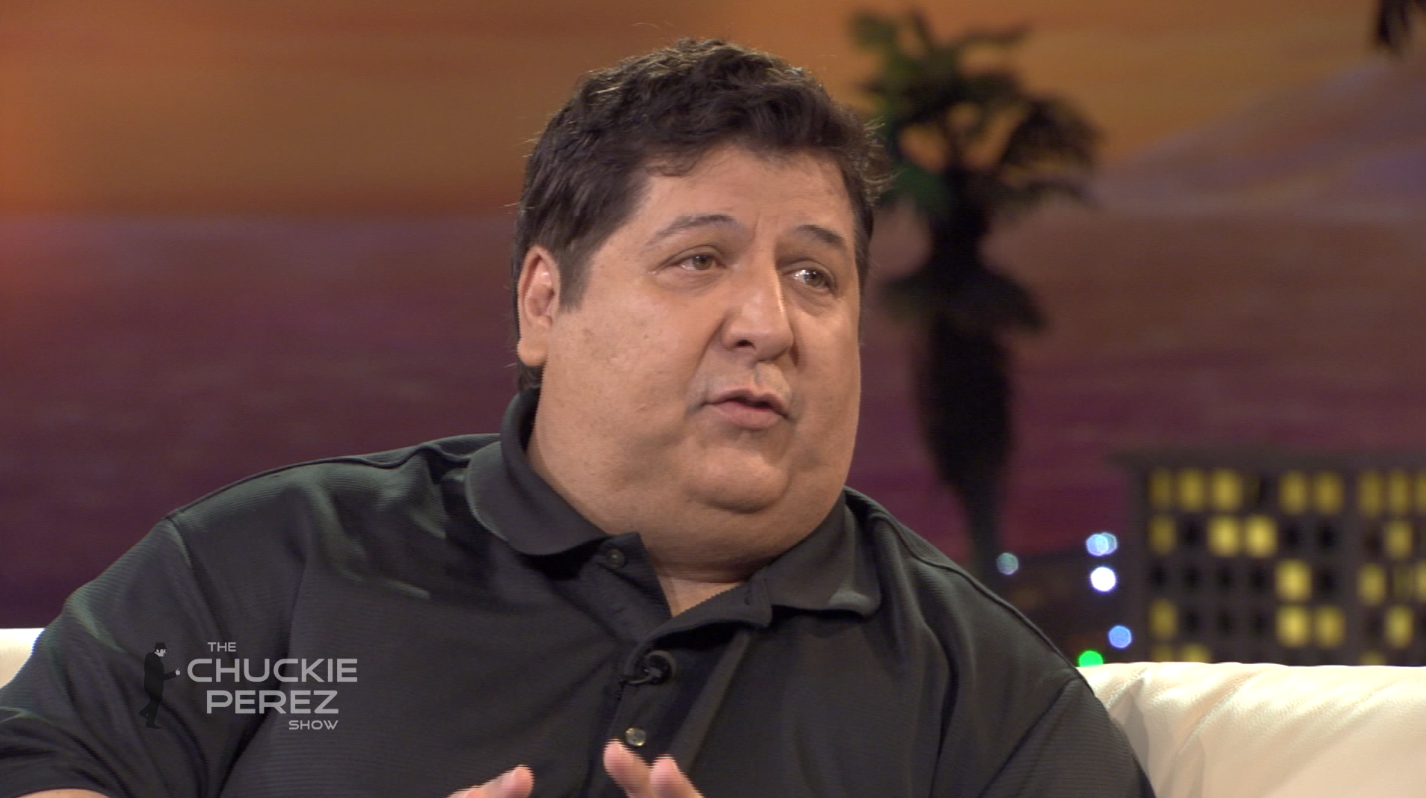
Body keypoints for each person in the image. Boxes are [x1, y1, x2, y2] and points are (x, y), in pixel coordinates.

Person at [0, 39, 1153, 798]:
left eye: (814, 276)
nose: (768, 323)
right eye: (699, 259)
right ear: (544, 303)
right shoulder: (277, 567)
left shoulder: (980, 692)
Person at [136, 643, 181, 729]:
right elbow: (160, 677)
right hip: (153, 686)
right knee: (155, 704)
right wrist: (174, 673)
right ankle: (149, 719)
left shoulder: (154, 659)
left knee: (154, 703)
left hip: (153, 685)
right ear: (158, 650)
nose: (164, 652)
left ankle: (145, 714)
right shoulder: (154, 660)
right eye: (163, 650)